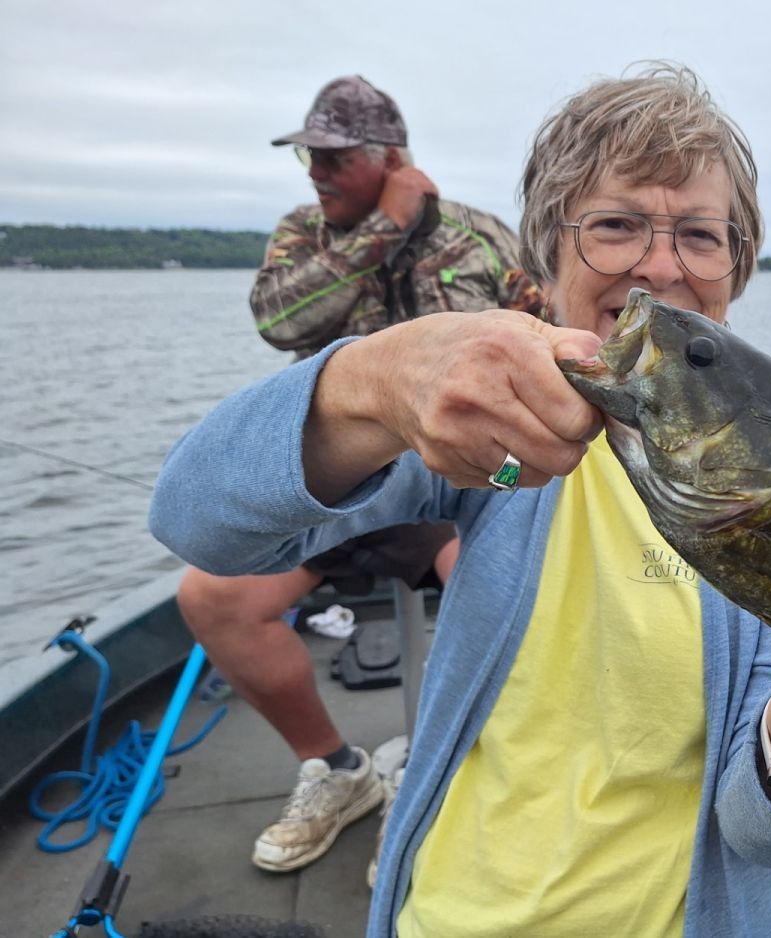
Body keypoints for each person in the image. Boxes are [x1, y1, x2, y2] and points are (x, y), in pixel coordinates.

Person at [151, 63, 771, 937]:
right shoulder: (489, 445)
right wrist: (370, 382)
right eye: (616, 224)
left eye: (701, 236)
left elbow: (762, 830)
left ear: (737, 269)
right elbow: (198, 523)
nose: (660, 267)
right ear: (546, 260)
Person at [176, 74, 544, 876]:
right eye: (310, 156)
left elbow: (546, 332)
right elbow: (280, 323)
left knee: (518, 596)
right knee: (213, 599)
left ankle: (441, 772)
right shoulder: (302, 234)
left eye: (334, 159)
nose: (315, 172)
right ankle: (341, 772)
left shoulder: (481, 239)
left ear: (392, 158)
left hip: (460, 486)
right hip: (337, 487)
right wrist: (385, 226)